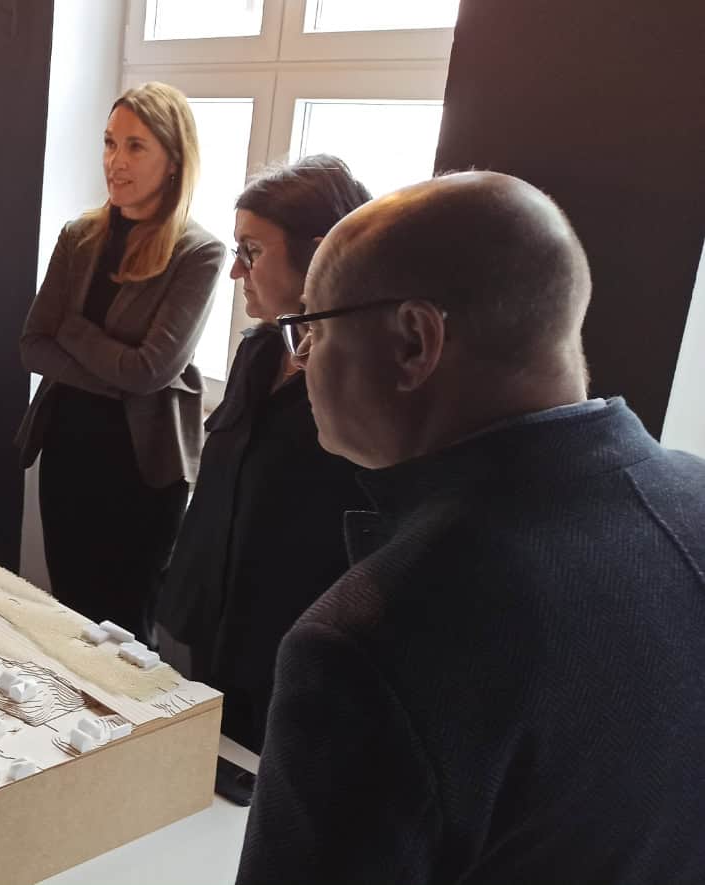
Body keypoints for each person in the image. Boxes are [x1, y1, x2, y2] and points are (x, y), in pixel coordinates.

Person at [238, 171, 705, 883]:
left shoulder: (374, 639)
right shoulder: (694, 499)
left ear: (414, 341)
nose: (301, 360)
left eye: (314, 328)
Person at [156, 155, 371, 753]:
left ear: (321, 254)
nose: (235, 271)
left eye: (251, 251)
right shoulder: (256, 351)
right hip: (210, 622)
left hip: (287, 650)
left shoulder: (361, 386)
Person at [15, 82, 226, 638]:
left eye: (135, 146)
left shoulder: (199, 252)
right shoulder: (80, 235)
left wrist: (73, 329)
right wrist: (117, 371)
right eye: (110, 143)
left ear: (173, 160)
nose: (116, 161)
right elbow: (33, 344)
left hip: (143, 468)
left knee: (127, 631)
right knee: (71, 615)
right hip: (69, 450)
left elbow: (150, 371)